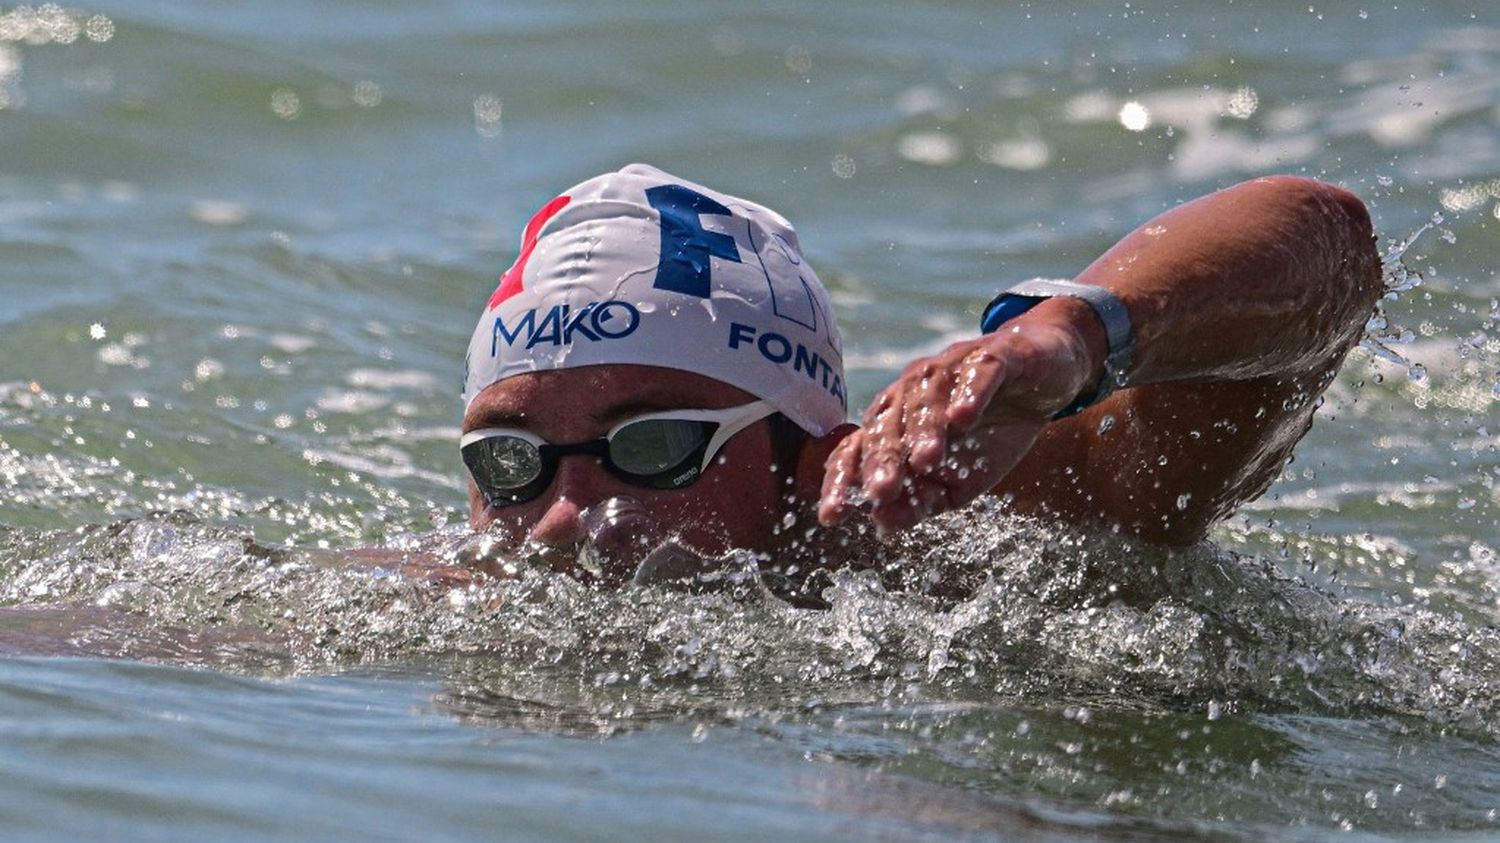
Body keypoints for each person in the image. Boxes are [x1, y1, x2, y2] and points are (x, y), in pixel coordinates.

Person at [457, 164, 1382, 591]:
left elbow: (1327, 240)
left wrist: (1068, 339)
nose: (562, 521)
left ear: (811, 448)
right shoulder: (448, 594)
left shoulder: (976, 526)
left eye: (653, 445)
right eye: (509, 461)